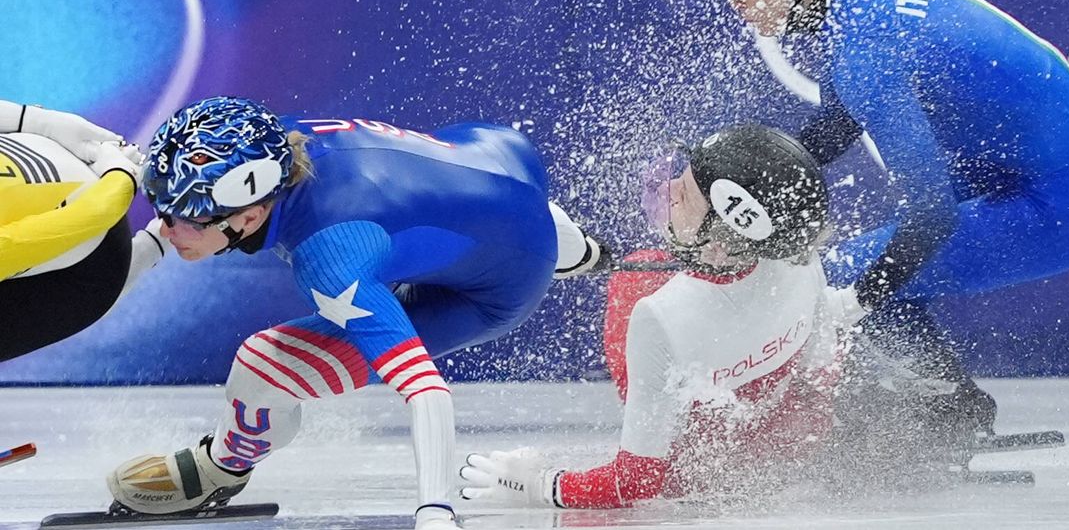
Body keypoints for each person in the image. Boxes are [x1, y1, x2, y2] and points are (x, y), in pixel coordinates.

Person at [694, 0, 1069, 441]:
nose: (734, 2)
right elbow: (834, 128)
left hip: (1065, 202)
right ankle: (937, 408)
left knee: (844, 277)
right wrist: (740, 198)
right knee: (859, 274)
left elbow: (932, 216)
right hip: (1031, 170)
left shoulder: (865, 52)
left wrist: (853, 303)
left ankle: (948, 416)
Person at [105, 97, 604, 530]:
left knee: (261, 366)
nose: (166, 227)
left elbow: (426, 391)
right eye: (163, 206)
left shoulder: (331, 258)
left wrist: (434, 512)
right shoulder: (271, 139)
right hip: (501, 155)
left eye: (183, 219)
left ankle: (221, 469)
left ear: (251, 216)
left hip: (497, 290)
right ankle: (581, 250)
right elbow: (168, 228)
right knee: (497, 223)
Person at [459, 125, 866, 508]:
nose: (668, 190)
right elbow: (820, 366)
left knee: (636, 275)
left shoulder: (660, 314)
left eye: (683, 195)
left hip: (698, 468)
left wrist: (539, 485)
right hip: (793, 437)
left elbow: (635, 483)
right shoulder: (796, 250)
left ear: (719, 248)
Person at [0, 100, 165, 362]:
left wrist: (36, 121)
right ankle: (155, 243)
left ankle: (153, 246)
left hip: (95, 267)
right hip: (71, 179)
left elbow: (96, 215)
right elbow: (94, 214)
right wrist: (121, 173)